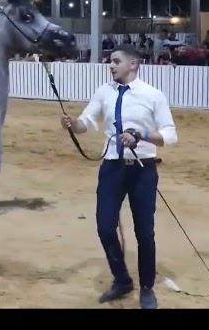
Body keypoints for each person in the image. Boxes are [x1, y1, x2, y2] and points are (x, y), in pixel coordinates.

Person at [60, 46, 178, 309]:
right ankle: (122, 279)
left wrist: (142, 135)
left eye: (116, 61)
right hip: (112, 167)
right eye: (110, 61)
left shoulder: (152, 95)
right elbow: (85, 123)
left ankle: (147, 287)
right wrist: (73, 124)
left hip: (142, 169)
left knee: (144, 232)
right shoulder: (104, 92)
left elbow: (170, 135)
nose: (110, 65)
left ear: (133, 64)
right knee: (104, 227)